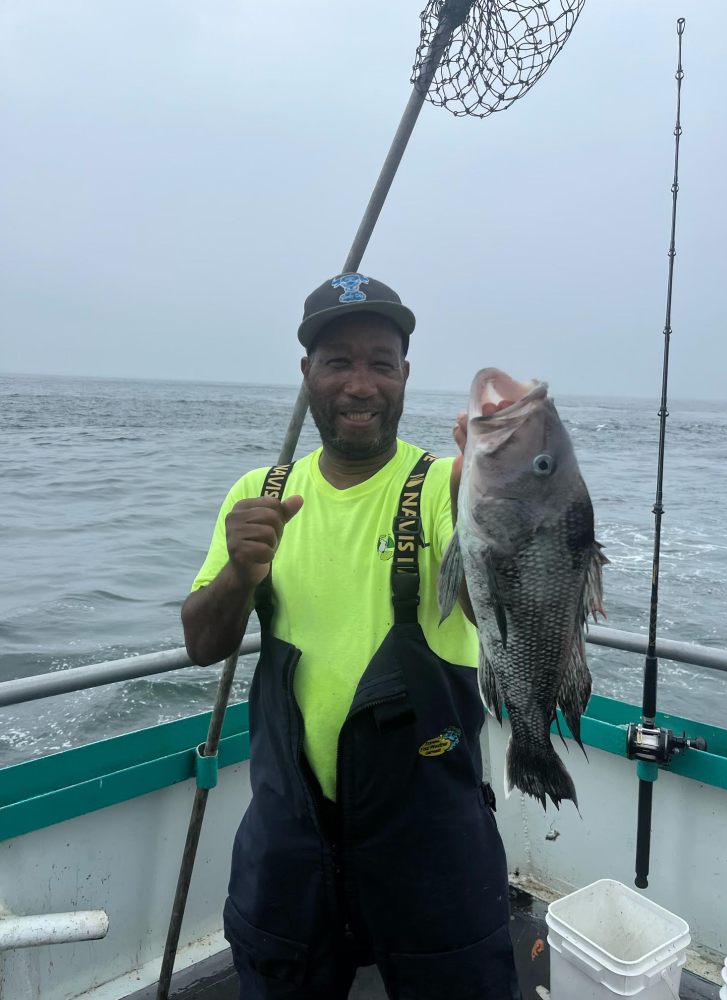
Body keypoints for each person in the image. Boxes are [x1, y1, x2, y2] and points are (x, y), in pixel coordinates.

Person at [181, 273, 520, 1000]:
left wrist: (496, 478)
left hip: (431, 834)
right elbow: (202, 644)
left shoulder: (442, 484)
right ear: (307, 376)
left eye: (380, 362)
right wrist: (240, 572)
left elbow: (495, 581)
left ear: (405, 376)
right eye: (339, 362)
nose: (360, 384)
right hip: (290, 834)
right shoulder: (256, 494)